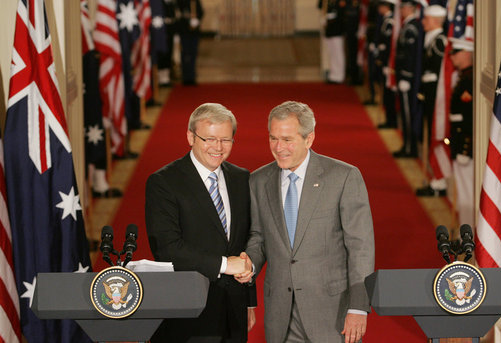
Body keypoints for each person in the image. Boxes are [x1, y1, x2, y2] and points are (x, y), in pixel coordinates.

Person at [238, 101, 375, 343]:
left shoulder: (343, 177)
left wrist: (358, 307)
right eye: (273, 138)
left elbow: (360, 248)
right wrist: (250, 264)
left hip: (333, 314)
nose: (279, 147)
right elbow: (258, 238)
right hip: (281, 314)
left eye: (288, 139)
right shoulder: (258, 181)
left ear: (309, 139)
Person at [145, 103, 256, 342]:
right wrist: (226, 265)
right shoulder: (164, 182)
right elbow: (167, 249)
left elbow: (247, 241)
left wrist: (249, 303)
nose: (218, 148)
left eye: (226, 140)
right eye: (209, 139)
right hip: (188, 312)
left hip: (234, 310)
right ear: (190, 137)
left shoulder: (242, 178)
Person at [415, 4, 448, 197]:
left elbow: (438, 73)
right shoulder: (432, 39)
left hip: (437, 97)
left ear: (435, 21)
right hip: (429, 95)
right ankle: (434, 178)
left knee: (436, 135)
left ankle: (438, 182)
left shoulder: (440, 42)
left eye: (426, 19)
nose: (423, 22)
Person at [448, 37, 474, 227]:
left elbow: (469, 120)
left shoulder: (469, 80)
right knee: (463, 190)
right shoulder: (463, 77)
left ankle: (468, 233)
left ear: (466, 53)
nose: (452, 57)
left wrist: (465, 149)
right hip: (457, 144)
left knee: (467, 192)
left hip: (464, 147)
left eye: (455, 53)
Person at [393, 0, 422, 158]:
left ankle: (410, 148)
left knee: (408, 114)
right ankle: (407, 145)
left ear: (410, 8)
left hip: (407, 79)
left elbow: (410, 55)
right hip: (404, 77)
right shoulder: (407, 26)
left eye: (403, 8)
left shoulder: (411, 28)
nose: (401, 11)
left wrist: (405, 76)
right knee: (405, 114)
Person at [375, 0, 398, 129]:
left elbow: (389, 45)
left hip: (388, 62)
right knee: (386, 93)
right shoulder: (385, 19)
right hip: (384, 61)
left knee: (389, 94)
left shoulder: (390, 21)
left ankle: (391, 120)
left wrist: (385, 62)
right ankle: (389, 119)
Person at [319, 0, 347, 84]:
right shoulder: (329, 2)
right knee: (332, 54)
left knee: (338, 54)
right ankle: (333, 75)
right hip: (330, 31)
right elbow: (321, 7)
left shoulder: (340, 2)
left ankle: (339, 76)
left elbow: (340, 16)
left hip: (337, 31)